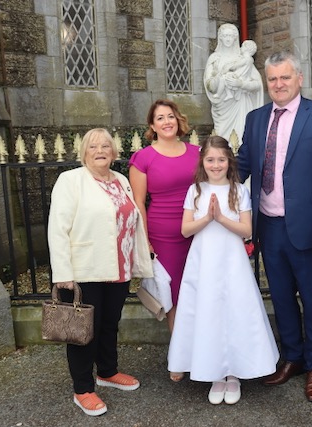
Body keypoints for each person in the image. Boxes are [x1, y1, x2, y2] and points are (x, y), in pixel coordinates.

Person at [237, 50, 312, 402]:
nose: (278, 84)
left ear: (299, 78)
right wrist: (203, 181)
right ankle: (293, 358)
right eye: (272, 79)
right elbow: (240, 165)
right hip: (268, 225)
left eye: (285, 77)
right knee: (281, 297)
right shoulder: (255, 119)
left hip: (310, 226)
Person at [47, 128, 153, 417]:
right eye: (93, 146)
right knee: (83, 332)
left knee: (109, 323)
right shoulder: (70, 181)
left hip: (118, 268)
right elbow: (58, 229)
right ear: (84, 152)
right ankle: (83, 389)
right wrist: (62, 272)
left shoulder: (120, 180)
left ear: (114, 151)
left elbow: (130, 220)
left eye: (106, 145)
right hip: (84, 269)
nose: (100, 150)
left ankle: (107, 371)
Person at [167, 136, 279, 405]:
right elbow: (185, 229)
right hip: (204, 259)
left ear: (229, 162)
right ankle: (215, 372)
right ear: (202, 162)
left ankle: (234, 374)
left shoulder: (238, 190)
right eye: (210, 160)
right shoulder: (195, 190)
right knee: (209, 310)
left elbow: (246, 230)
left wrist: (221, 218)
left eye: (220, 159)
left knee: (234, 309)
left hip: (231, 259)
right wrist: (207, 218)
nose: (215, 165)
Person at [129, 99, 200, 340]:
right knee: (173, 292)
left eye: (170, 116)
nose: (166, 122)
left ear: (178, 120)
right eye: (160, 118)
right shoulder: (143, 158)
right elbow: (138, 203)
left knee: (198, 288)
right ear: (152, 125)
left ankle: (203, 350)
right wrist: (144, 240)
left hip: (197, 231)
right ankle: (180, 353)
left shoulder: (197, 153)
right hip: (164, 236)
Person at [204, 23, 264, 141]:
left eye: (231, 36)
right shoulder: (214, 59)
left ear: (235, 38)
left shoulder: (243, 59)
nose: (227, 39)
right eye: (225, 35)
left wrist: (241, 84)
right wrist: (220, 78)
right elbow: (210, 85)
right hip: (222, 107)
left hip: (241, 104)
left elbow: (257, 85)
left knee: (240, 138)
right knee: (222, 140)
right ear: (220, 37)